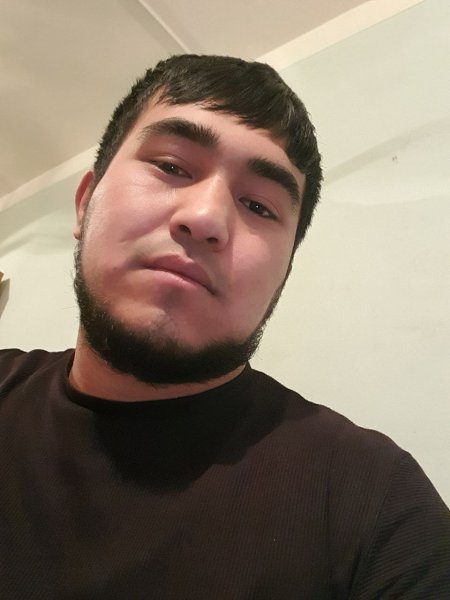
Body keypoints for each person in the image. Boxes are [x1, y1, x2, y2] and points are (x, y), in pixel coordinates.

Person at [0, 54, 448, 599]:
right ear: (85, 201)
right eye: (171, 167)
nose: (206, 218)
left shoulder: (375, 505)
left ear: (283, 274)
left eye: (258, 206)